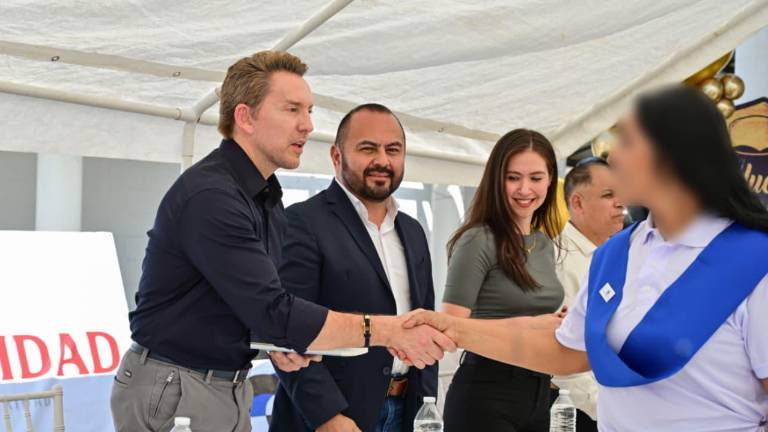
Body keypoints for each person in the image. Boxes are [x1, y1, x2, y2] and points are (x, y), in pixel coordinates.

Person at [110, 51, 455, 432]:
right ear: (245, 117)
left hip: (225, 385)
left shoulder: (267, 198)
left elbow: (248, 308)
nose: (307, 125)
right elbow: (274, 310)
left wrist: (277, 346)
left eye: (308, 111)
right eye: (292, 110)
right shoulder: (212, 195)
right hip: (178, 385)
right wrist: (386, 330)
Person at [398, 85, 768, 432]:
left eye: (628, 141)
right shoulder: (615, 255)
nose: (614, 154)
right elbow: (565, 348)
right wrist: (454, 328)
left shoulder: (754, 261)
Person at [270, 104, 438, 432]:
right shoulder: (302, 222)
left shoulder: (414, 232)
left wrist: (426, 407)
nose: (382, 160)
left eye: (393, 150)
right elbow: (287, 332)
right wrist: (328, 418)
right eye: (367, 148)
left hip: (406, 411)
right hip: (333, 417)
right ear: (336, 156)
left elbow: (426, 325)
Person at [440, 129, 565, 432]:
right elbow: (450, 330)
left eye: (536, 178)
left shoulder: (545, 244)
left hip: (540, 390)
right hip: (487, 392)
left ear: (550, 180)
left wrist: (557, 322)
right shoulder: (477, 240)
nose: (525, 189)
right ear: (496, 180)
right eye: (513, 178)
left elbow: (534, 316)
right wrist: (530, 327)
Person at [551, 158, 625, 431]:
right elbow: (561, 355)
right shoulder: (559, 260)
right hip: (578, 412)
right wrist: (609, 409)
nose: (620, 202)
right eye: (608, 195)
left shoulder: (616, 256)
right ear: (578, 203)